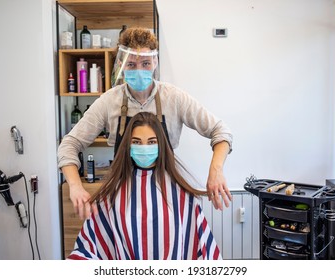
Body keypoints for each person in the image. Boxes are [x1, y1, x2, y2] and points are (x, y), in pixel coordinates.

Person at [57, 27, 233, 220]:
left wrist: (216, 171)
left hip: (166, 194)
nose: (139, 71)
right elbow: (69, 145)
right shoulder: (109, 101)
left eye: (146, 63)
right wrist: (75, 186)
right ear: (122, 65)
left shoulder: (174, 98)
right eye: (131, 64)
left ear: (155, 62)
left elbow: (221, 131)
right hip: (122, 194)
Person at [68, 112, 222, 260]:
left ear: (160, 145)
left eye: (151, 142)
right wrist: (75, 186)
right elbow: (88, 249)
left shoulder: (183, 196)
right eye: (136, 142)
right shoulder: (111, 196)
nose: (144, 147)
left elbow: (204, 251)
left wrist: (216, 171)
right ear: (128, 146)